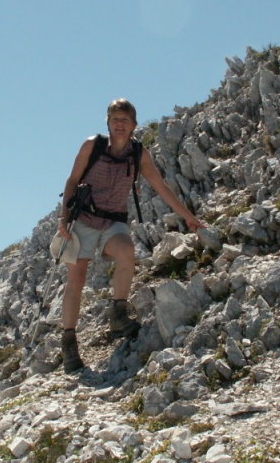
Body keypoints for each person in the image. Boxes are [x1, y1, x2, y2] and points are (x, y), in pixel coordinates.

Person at [57, 98, 204, 371]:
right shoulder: (93, 146)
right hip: (83, 220)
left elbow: (161, 187)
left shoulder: (139, 154)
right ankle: (68, 345)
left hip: (113, 222)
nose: (119, 124)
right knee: (76, 280)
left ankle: (119, 315)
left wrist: (189, 218)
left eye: (125, 120)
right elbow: (71, 180)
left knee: (127, 251)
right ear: (108, 123)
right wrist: (63, 219)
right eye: (115, 120)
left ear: (134, 124)